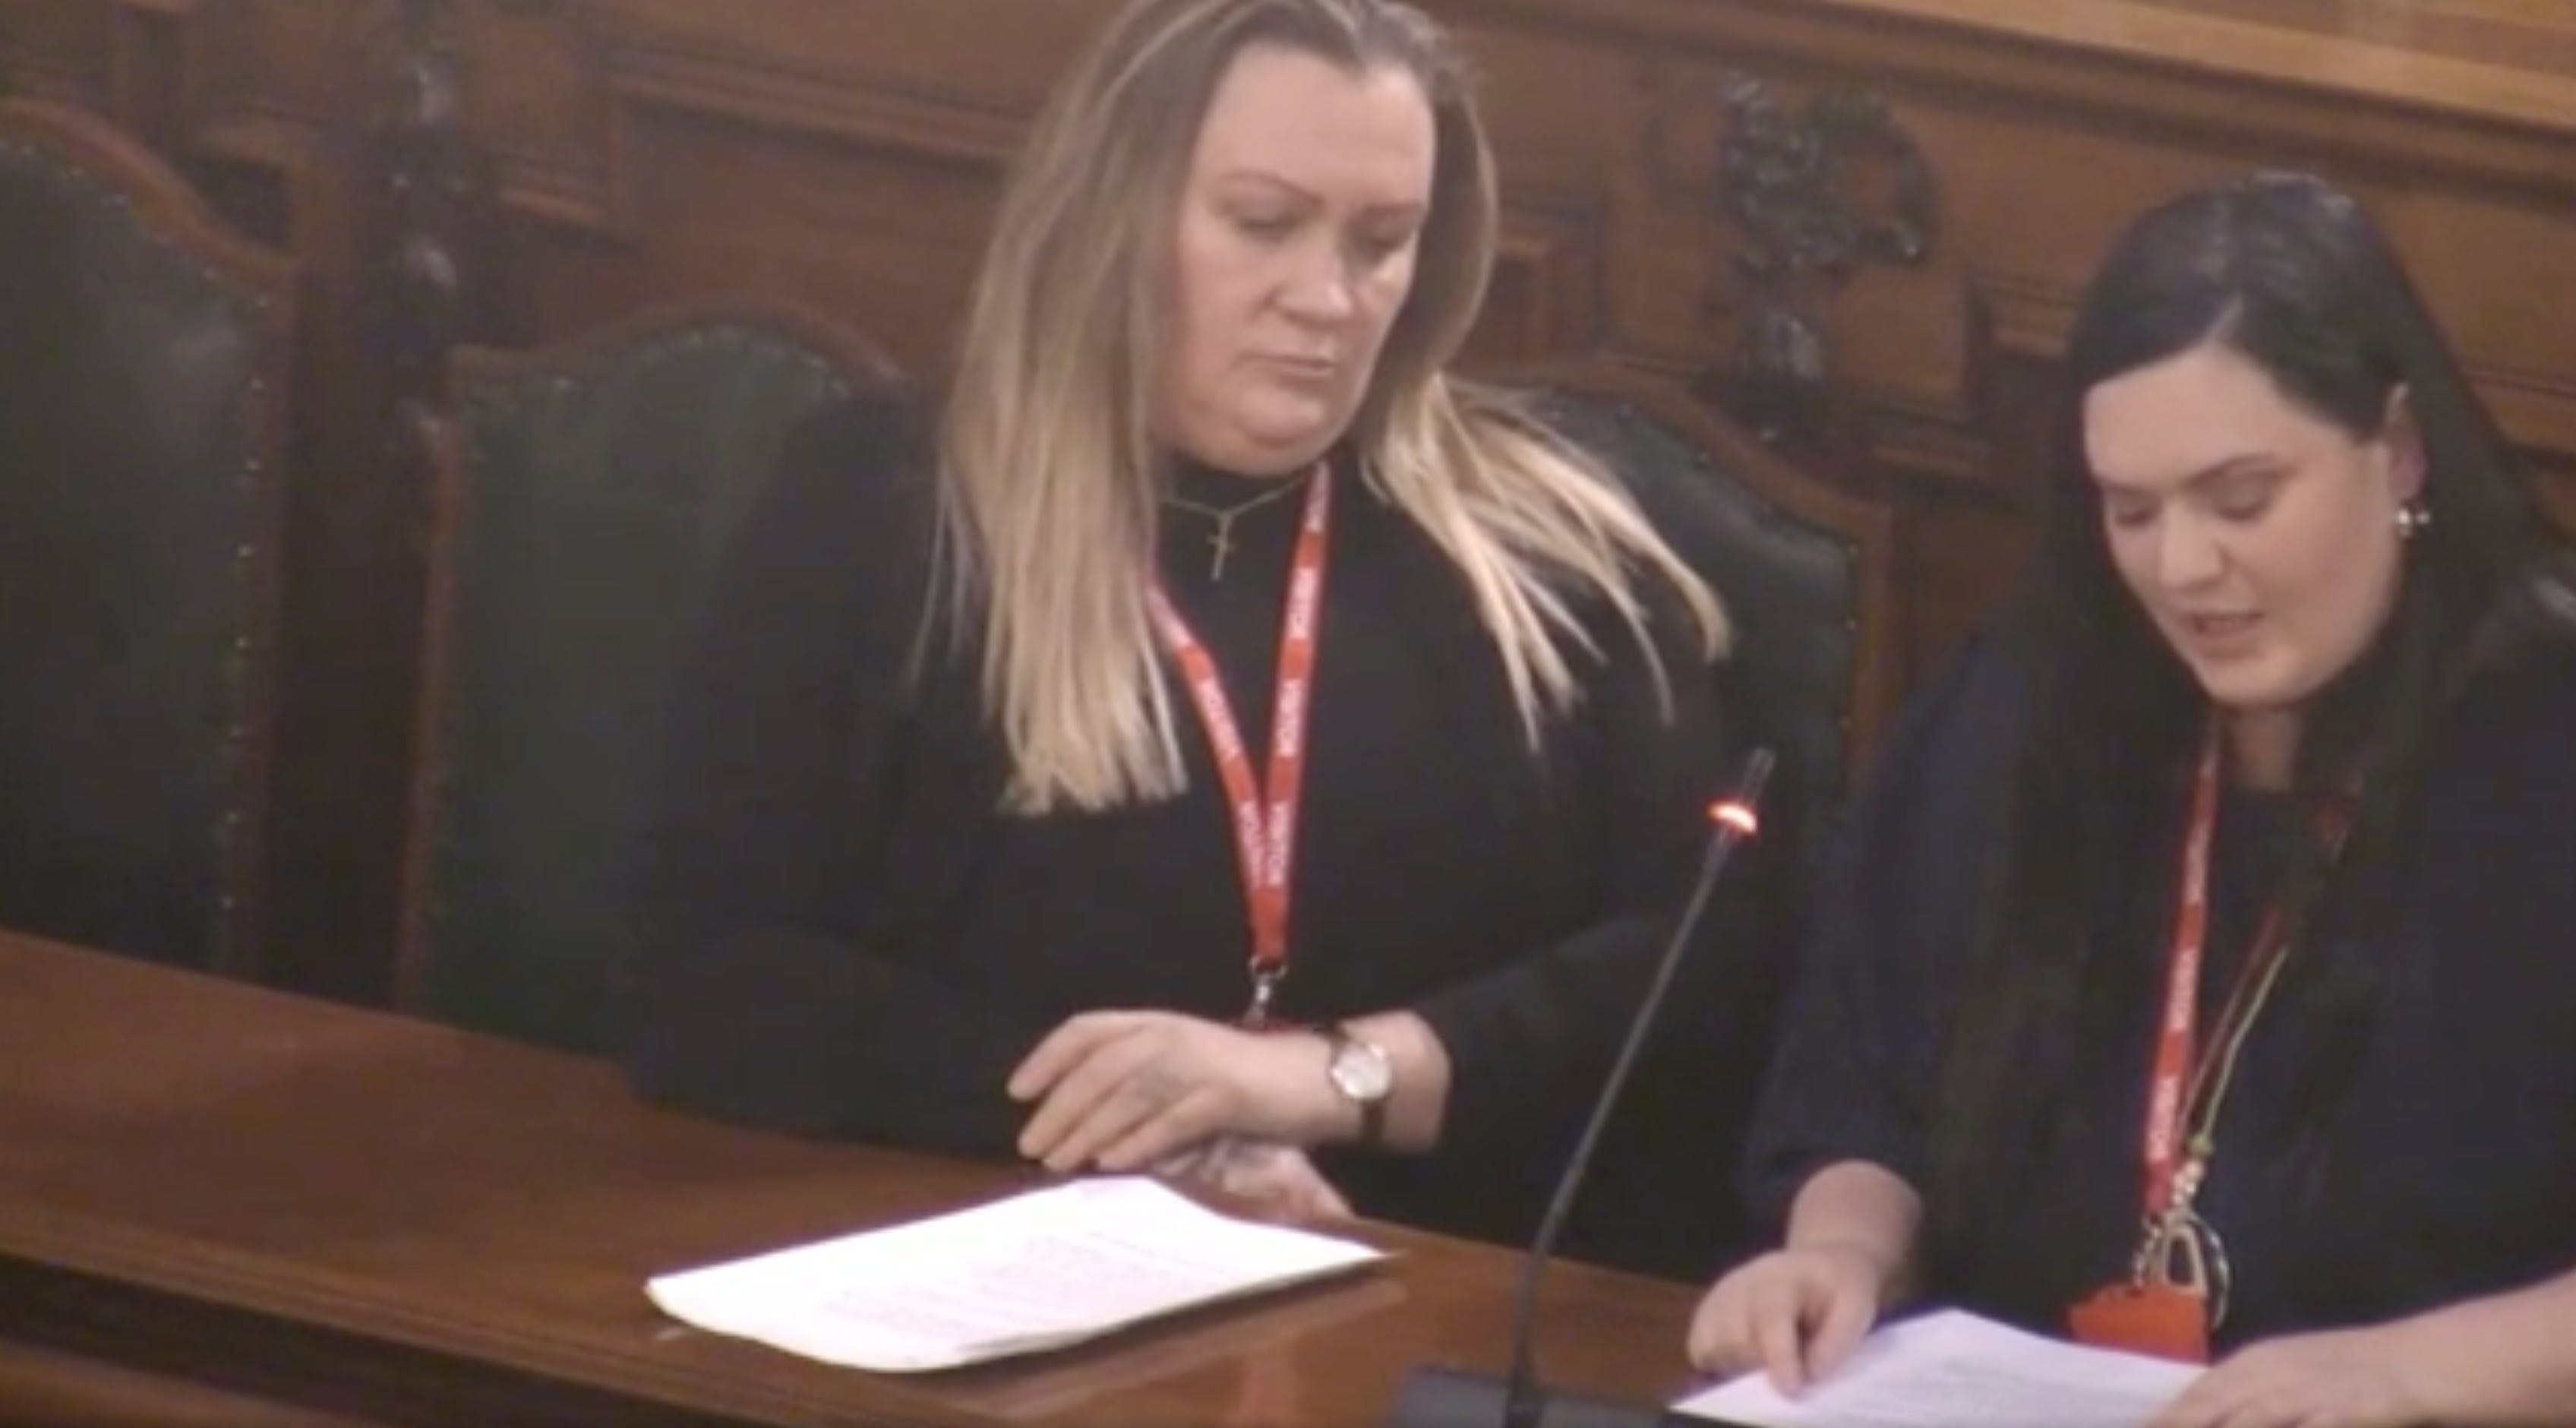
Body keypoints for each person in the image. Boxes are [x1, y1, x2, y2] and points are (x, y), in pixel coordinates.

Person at [622, 0, 1785, 1280]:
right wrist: (1150, 1128)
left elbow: (1710, 962)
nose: (1328, 299)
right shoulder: (885, 505)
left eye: (1382, 242)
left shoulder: (1551, 550)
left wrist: (1334, 1078)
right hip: (983, 1260)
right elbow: (714, 978)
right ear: (1114, 216)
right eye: (1263, 223)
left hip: (1425, 1285)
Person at [1685, 171, 2576, 1425]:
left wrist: (2413, 1373)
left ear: (2400, 449)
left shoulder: (2545, 742)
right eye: (2133, 511)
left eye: (2242, 499)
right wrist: (1839, 1255)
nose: (2185, 568)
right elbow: (1863, 1082)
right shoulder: (2034, 701)